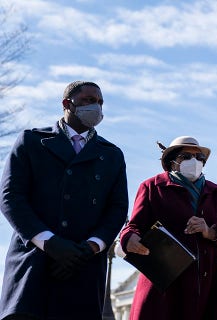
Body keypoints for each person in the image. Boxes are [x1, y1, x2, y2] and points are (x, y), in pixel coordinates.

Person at [0, 81, 129, 319]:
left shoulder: (111, 155)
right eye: (89, 101)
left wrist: (90, 247)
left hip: (84, 269)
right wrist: (49, 243)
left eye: (100, 102)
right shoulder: (31, 141)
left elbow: (118, 208)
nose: (97, 107)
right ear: (67, 104)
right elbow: (11, 196)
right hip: (33, 263)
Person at [120, 136, 217, 320]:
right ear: (172, 161)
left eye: (199, 157)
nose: (194, 161)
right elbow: (133, 227)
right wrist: (130, 238)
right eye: (186, 156)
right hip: (166, 282)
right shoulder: (152, 187)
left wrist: (210, 231)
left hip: (209, 282)